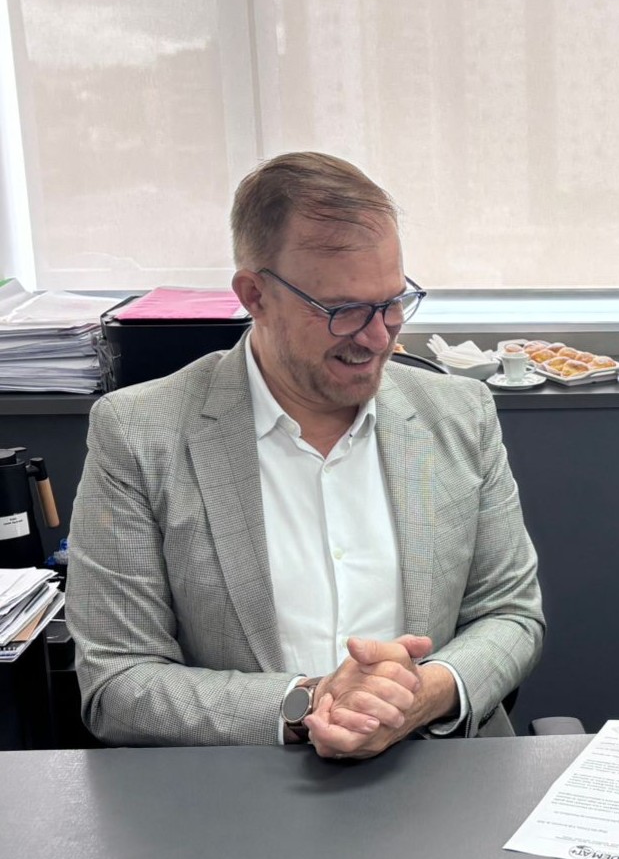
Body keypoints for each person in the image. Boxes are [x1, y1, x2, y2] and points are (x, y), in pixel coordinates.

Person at [68, 152, 543, 757]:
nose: (378, 337)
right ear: (255, 295)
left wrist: (419, 696)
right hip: (241, 787)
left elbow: (511, 615)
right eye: (344, 311)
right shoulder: (140, 434)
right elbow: (117, 681)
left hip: (438, 768)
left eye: (393, 302)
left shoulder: (458, 414)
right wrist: (307, 703)